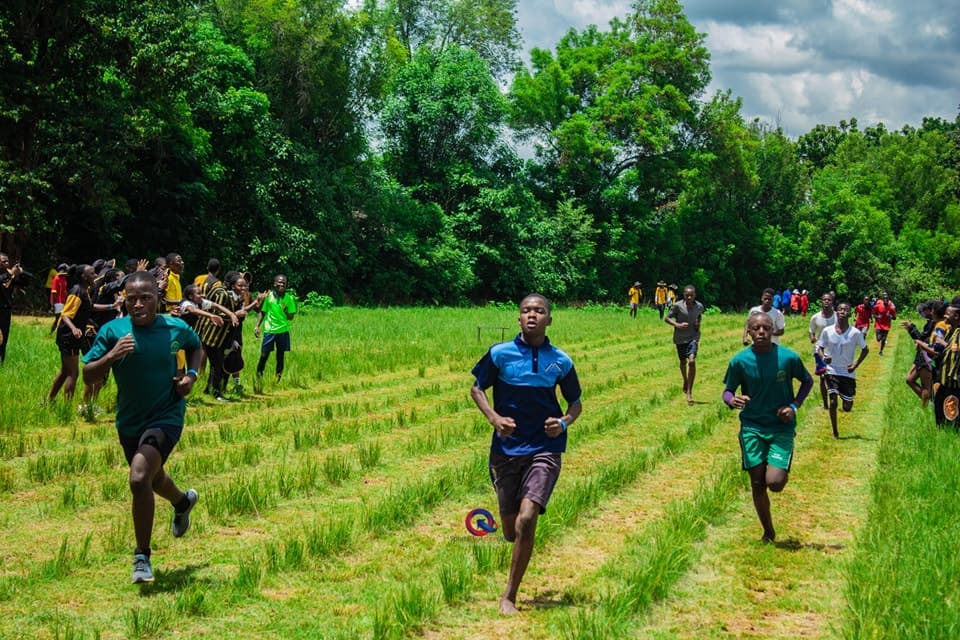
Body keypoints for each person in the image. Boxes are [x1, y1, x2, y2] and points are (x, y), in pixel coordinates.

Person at [82, 271, 202, 584]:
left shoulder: (175, 326)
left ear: (158, 299)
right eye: (131, 299)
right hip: (129, 421)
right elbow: (87, 375)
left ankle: (141, 557)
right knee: (151, 477)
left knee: (138, 479)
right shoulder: (113, 331)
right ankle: (182, 501)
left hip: (167, 414)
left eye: (145, 298)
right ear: (123, 299)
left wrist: (191, 376)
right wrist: (111, 355)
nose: (138, 305)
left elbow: (196, 347)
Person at [470, 293, 582, 614]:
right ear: (518, 318)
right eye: (526, 311)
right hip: (506, 449)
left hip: (545, 448)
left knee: (528, 518)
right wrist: (494, 418)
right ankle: (515, 541)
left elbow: (575, 403)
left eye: (539, 311)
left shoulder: (561, 360)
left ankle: (509, 596)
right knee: (510, 528)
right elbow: (477, 388)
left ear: (549, 319)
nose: (532, 315)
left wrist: (563, 422)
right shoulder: (499, 353)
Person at [723, 310, 813, 543]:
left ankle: (781, 467)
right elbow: (728, 391)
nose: (761, 332)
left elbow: (807, 381)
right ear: (749, 332)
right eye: (756, 328)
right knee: (756, 481)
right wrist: (731, 400)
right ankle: (768, 531)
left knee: (774, 483)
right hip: (752, 427)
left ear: (773, 331)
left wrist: (793, 406)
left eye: (766, 328)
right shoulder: (739, 361)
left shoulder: (788, 358)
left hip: (780, 427)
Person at [816, 302, 869, 439]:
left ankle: (848, 401)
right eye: (840, 309)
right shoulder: (827, 331)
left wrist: (855, 365)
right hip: (831, 370)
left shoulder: (855, 333)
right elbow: (820, 347)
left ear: (850, 314)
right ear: (836, 312)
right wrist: (824, 357)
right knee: (833, 401)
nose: (842, 312)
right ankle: (835, 431)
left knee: (847, 406)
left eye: (846, 310)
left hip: (847, 372)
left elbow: (865, 349)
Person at [47, 264, 97, 405]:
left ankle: (49, 401)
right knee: (72, 373)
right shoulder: (77, 291)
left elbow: (91, 307)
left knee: (65, 371)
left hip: (73, 336)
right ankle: (67, 408)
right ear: (84, 277)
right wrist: (74, 329)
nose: (95, 275)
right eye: (92, 273)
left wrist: (112, 306)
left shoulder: (85, 291)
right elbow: (65, 315)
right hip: (69, 336)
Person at [254, 274, 298, 383]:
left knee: (280, 356)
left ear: (286, 285)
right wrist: (257, 326)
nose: (281, 284)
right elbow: (262, 312)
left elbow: (291, 317)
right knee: (264, 355)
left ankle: (277, 379)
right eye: (279, 282)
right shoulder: (268, 297)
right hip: (269, 330)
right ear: (274, 284)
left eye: (284, 282)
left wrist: (287, 311)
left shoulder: (289, 298)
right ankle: (259, 377)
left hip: (283, 331)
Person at [665, 285, 704, 405]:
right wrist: (677, 325)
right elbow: (667, 318)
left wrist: (697, 326)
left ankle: (689, 392)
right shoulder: (677, 306)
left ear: (695, 295)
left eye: (691, 295)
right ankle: (685, 380)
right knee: (683, 362)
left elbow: (699, 317)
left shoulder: (699, 306)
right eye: (687, 295)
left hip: (693, 338)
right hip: (680, 339)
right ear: (683, 295)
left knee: (692, 361)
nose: (689, 297)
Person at [933, 297, 960, 429]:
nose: (945, 316)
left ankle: (952, 432)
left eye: (948, 314)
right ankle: (942, 431)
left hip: (955, 381)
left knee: (952, 410)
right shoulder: (951, 331)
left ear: (957, 316)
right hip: (945, 379)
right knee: (939, 407)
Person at [808, 293, 836, 409]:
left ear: (832, 302)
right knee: (823, 376)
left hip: (835, 350)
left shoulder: (837, 316)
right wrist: (812, 338)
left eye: (829, 300)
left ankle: (834, 398)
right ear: (821, 301)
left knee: (834, 376)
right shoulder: (815, 317)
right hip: (820, 350)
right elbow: (811, 330)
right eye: (824, 300)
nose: (826, 302)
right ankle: (825, 403)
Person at [0, 253, 29, 363]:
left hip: (5, 310)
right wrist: (12, 273)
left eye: (7, 261)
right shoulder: (8, 275)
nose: (7, 263)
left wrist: (21, 273)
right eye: (4, 261)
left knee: (4, 336)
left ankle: (1, 361)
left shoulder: (9, 274)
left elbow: (25, 283)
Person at [872, 291, 897, 356]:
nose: (886, 300)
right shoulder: (878, 305)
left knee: (883, 339)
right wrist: (877, 316)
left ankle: (881, 351)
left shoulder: (891, 307)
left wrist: (890, 316)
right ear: (882, 299)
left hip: (886, 325)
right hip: (879, 325)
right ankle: (881, 338)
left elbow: (894, 318)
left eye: (887, 299)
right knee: (878, 339)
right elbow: (873, 314)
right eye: (884, 299)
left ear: (888, 300)